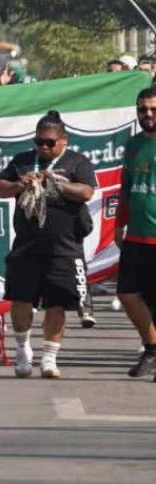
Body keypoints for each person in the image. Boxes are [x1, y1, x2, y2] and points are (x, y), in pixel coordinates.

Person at [0, 111, 96, 379]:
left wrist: (59, 184)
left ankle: (49, 357)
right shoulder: (23, 161)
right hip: (27, 245)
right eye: (39, 142)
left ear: (64, 140)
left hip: (64, 245)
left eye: (50, 142)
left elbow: (86, 192)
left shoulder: (77, 162)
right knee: (20, 299)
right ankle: (23, 348)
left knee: (58, 303)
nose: (44, 148)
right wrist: (19, 184)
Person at [116, 87, 156, 379]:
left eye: (153, 108)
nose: (148, 114)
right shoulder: (133, 145)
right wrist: (119, 224)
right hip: (137, 235)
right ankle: (152, 349)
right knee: (128, 294)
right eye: (143, 109)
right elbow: (126, 188)